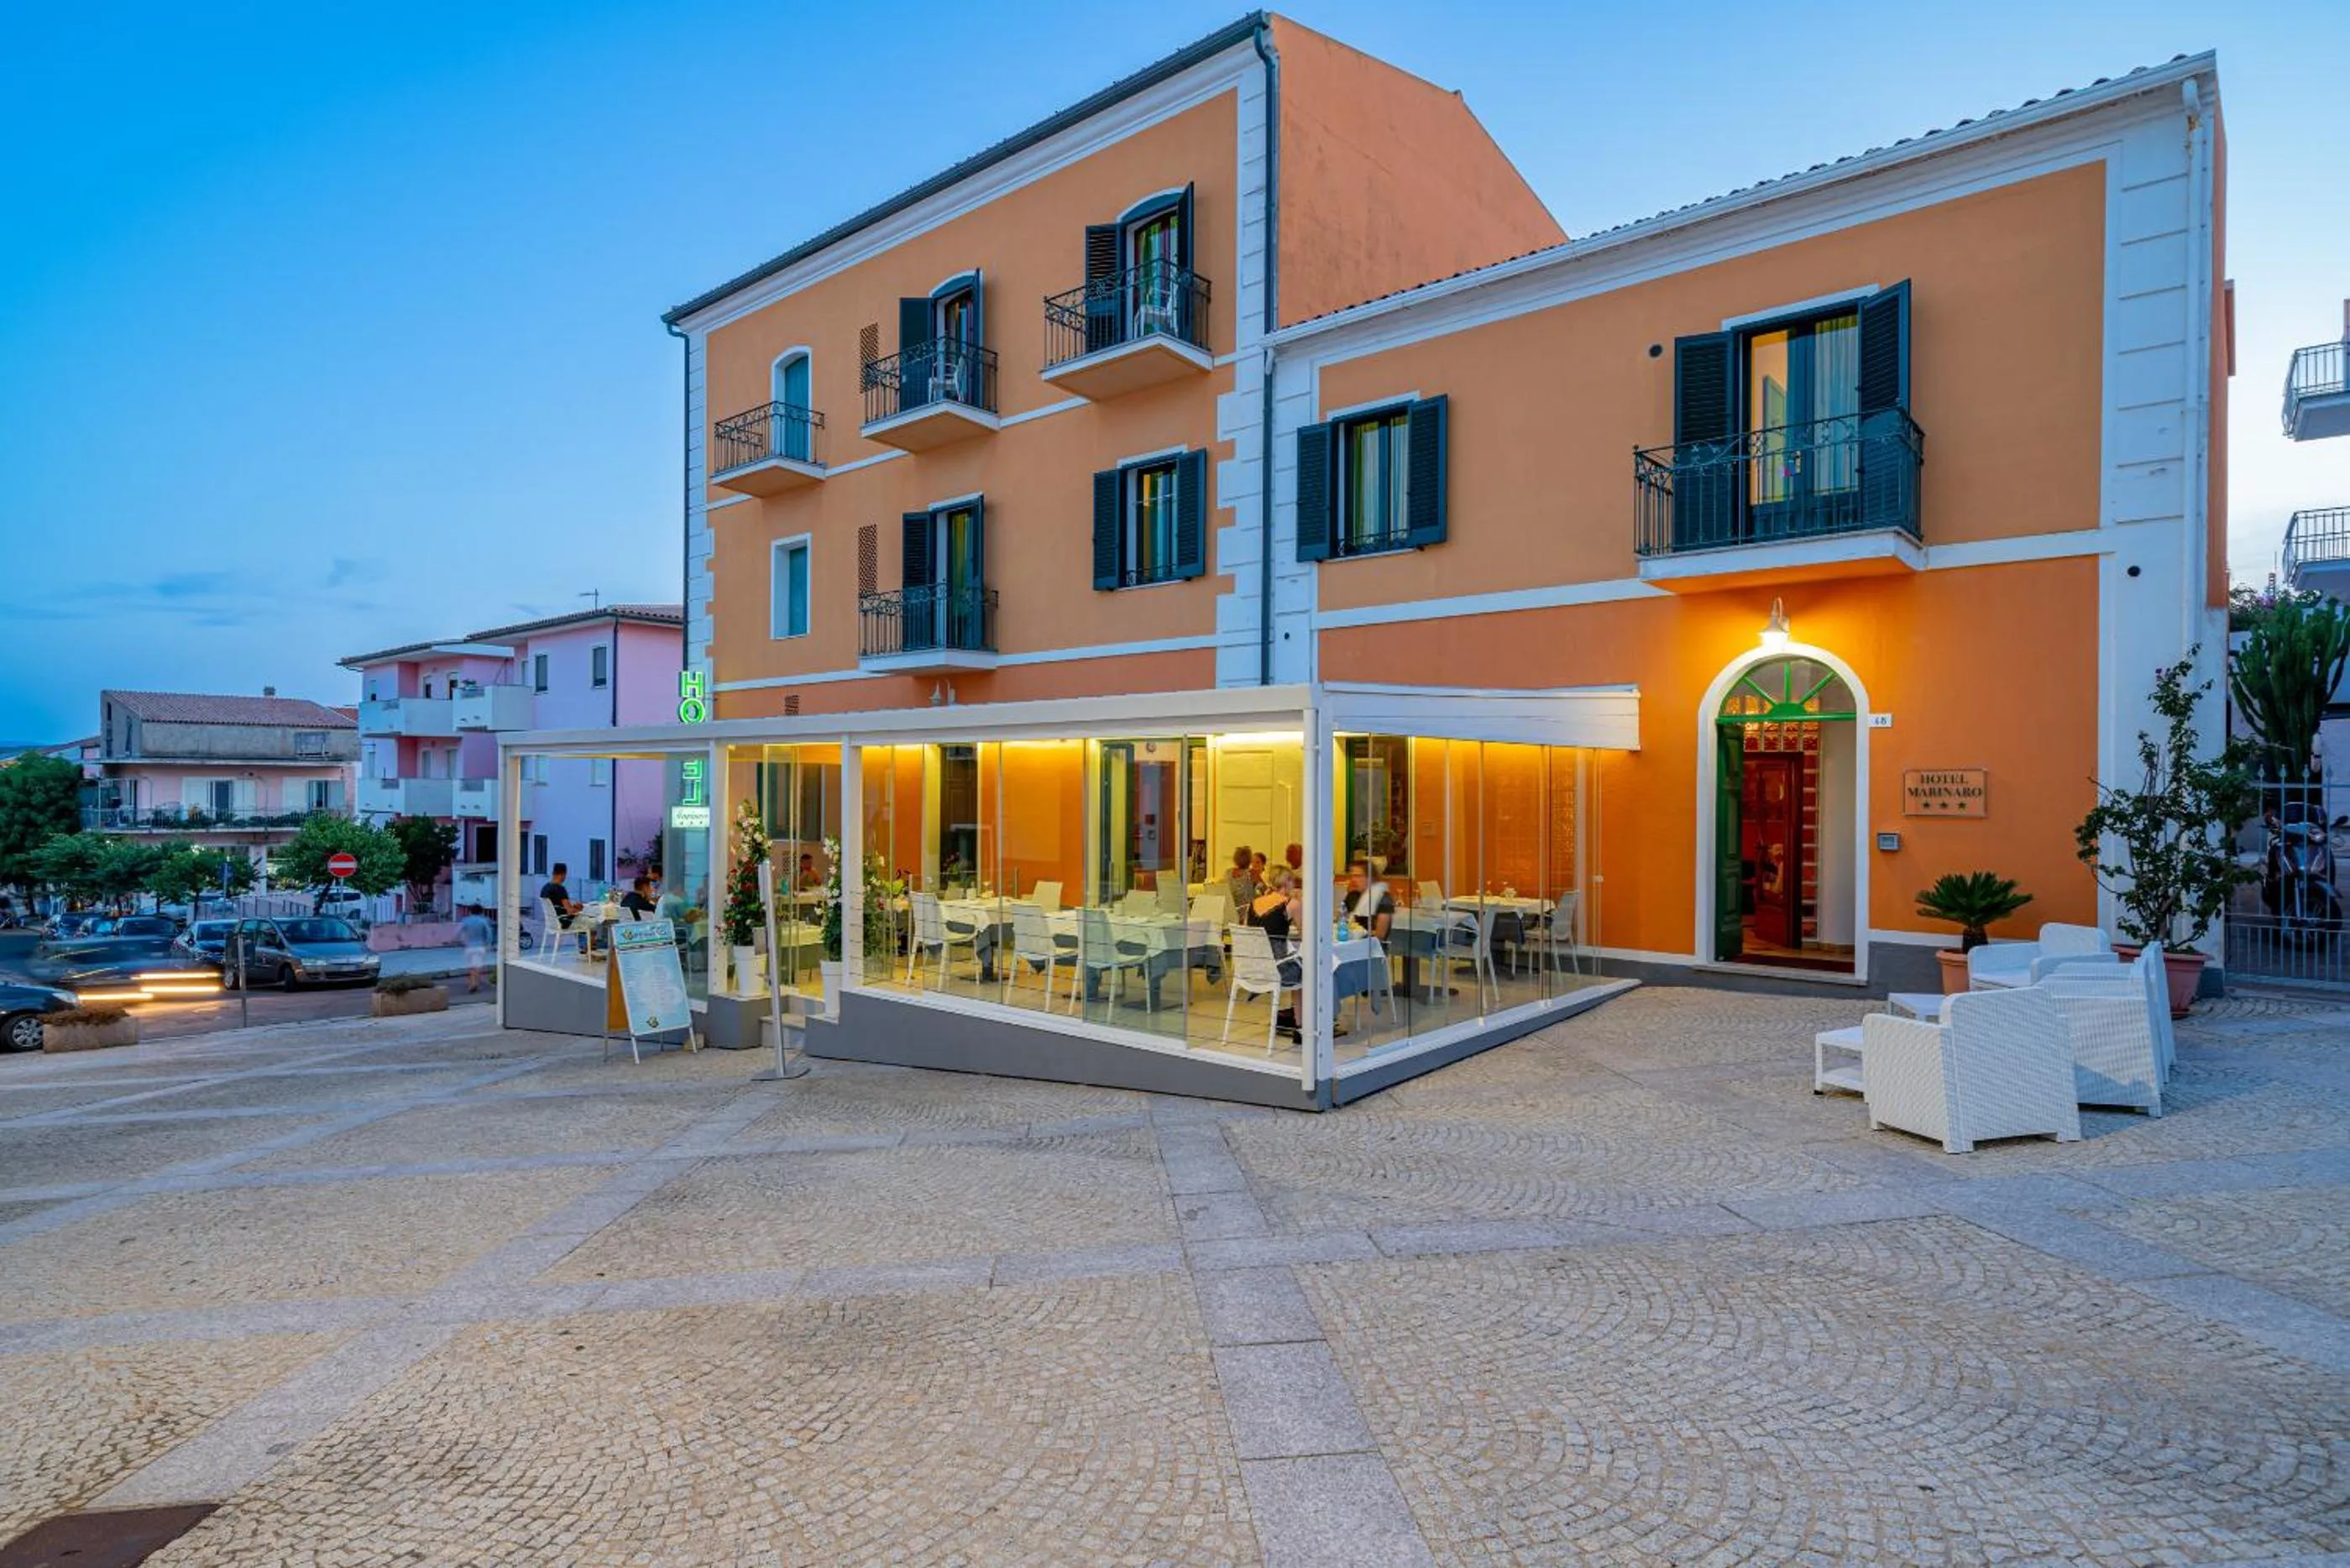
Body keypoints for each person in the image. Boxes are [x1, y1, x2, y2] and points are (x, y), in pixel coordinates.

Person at [1344, 856, 1395, 943]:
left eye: (1358, 876)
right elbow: (1340, 920)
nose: (1353, 879)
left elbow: (1380, 936)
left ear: (1370, 877)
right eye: (1352, 875)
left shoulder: (1383, 899)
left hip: (1371, 948)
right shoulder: (1353, 896)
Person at [456, 903, 495, 995]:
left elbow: (458, 932)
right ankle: (474, 984)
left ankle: (472, 984)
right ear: (481, 912)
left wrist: (461, 941)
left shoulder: (466, 920)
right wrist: (488, 944)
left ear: (470, 911)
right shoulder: (484, 921)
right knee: (477, 966)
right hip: (480, 947)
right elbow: (489, 934)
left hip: (469, 947)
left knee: (471, 967)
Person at [1225, 846, 1259, 922]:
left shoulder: (1228, 873)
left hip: (1231, 911)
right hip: (1248, 913)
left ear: (1235, 859)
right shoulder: (1252, 874)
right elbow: (1263, 889)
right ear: (1250, 860)